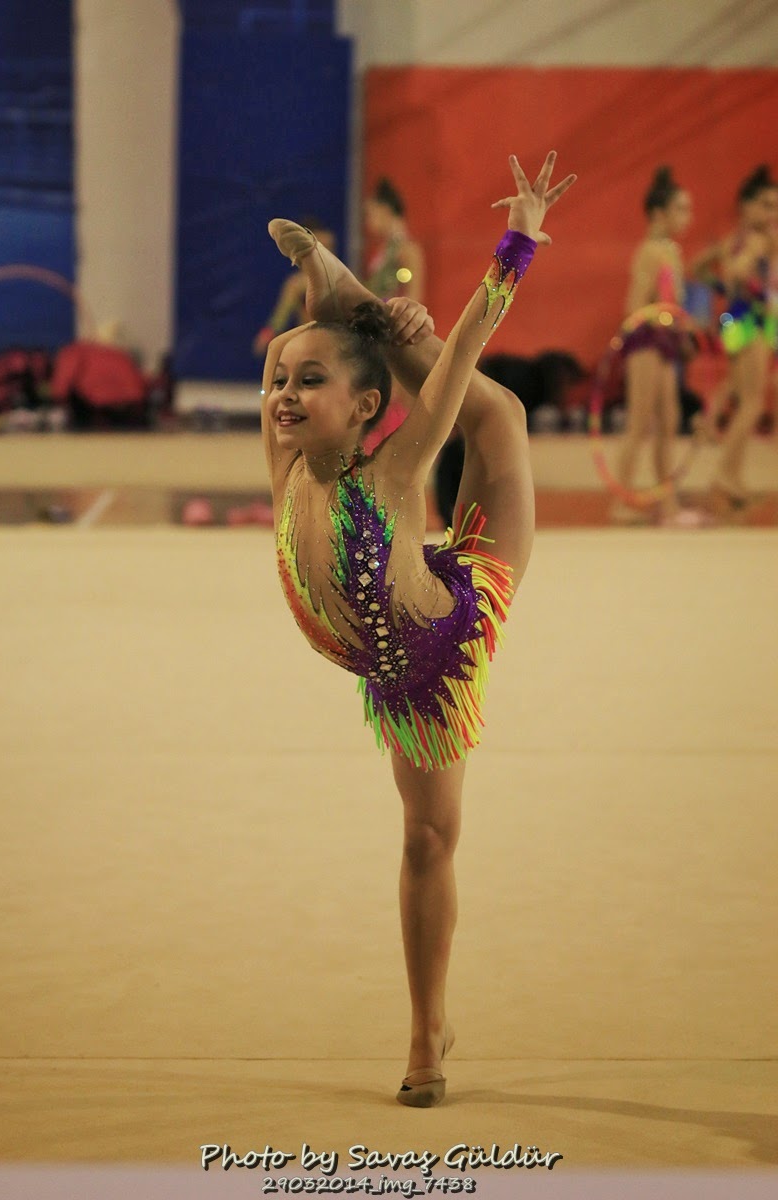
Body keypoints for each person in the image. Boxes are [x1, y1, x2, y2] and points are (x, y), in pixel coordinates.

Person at [260, 151, 576, 1106]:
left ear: (365, 409)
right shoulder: (287, 455)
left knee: (495, 410)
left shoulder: (393, 471)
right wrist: (336, 320)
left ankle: (423, 1035)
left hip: (444, 644)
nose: (282, 396)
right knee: (494, 412)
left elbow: (468, 349)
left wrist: (519, 242)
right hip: (389, 652)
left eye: (307, 382)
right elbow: (308, 373)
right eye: (278, 379)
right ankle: (354, 303)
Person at [613, 166, 700, 525]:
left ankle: (668, 504)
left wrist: (682, 330)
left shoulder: (671, 251)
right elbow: (635, 307)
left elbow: (671, 305)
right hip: (646, 343)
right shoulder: (650, 251)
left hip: (664, 344)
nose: (688, 217)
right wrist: (670, 322)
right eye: (681, 209)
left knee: (668, 422)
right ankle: (620, 502)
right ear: (659, 214)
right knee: (640, 422)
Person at [707, 164, 778, 515]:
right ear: (746, 206)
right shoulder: (758, 239)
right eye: (766, 205)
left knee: (743, 396)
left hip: (735, 317)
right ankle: (724, 475)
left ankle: (733, 477)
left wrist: (724, 286)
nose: (772, 212)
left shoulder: (732, 239)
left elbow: (700, 267)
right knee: (751, 403)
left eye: (775, 206)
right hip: (750, 319)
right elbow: (739, 270)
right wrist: (743, 276)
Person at [361, 179, 426, 455]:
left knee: (395, 398)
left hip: (396, 335)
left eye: (371, 214)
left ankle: (396, 453)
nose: (368, 222)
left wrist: (399, 339)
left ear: (386, 210)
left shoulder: (406, 250)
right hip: (379, 334)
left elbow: (414, 299)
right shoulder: (385, 252)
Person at [252, 218, 337, 357]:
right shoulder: (297, 284)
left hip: (334, 342)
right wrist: (267, 334)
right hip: (310, 342)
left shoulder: (338, 280)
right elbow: (280, 317)